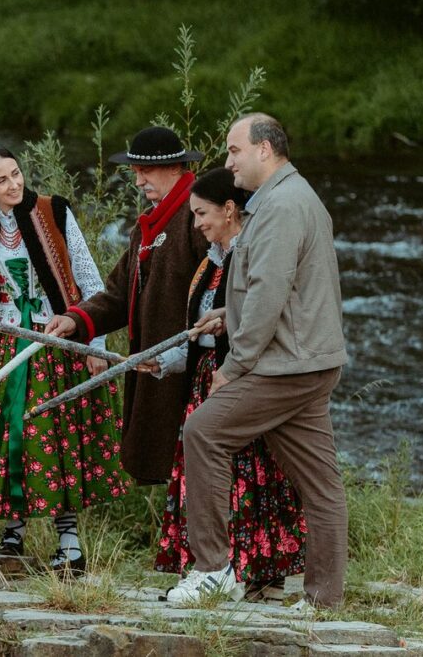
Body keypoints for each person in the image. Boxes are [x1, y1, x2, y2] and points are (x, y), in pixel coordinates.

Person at [168, 113, 348, 607]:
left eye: (234, 151)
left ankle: (212, 571)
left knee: (203, 431)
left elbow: (270, 292)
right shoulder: (287, 198)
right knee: (321, 484)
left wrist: (234, 366)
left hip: (285, 365)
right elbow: (282, 286)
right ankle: (324, 600)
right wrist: (230, 311)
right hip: (306, 360)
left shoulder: (282, 206)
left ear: (264, 150)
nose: (229, 162)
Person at [0, 145, 132, 575]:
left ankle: (70, 543)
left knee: (54, 437)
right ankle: (13, 533)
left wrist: (94, 344)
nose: (14, 184)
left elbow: (89, 277)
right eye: (1, 180)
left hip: (54, 342)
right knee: (9, 436)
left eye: (16, 174)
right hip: (5, 342)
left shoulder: (53, 211)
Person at [140, 168, 306, 599]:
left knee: (253, 477)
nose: (196, 224)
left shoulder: (251, 256)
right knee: (213, 478)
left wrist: (227, 348)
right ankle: (215, 568)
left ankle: (257, 574)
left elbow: (266, 321)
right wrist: (163, 362)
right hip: (208, 381)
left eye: (201, 214)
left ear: (230, 210)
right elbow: (199, 335)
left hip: (245, 380)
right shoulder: (209, 262)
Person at [45, 127, 209, 485]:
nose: (137, 182)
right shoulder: (147, 228)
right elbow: (118, 295)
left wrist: (186, 354)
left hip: (193, 374)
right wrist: (76, 319)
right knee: (175, 474)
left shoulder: (198, 217)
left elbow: (220, 296)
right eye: (135, 172)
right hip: (155, 368)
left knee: (197, 468)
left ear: (175, 168)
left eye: (144, 172)